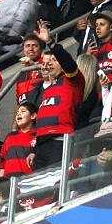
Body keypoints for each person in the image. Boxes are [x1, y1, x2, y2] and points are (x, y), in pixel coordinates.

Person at [34, 22, 86, 169]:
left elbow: (68, 63)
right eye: (47, 62)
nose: (49, 64)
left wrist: (50, 42)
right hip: (41, 145)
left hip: (59, 141)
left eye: (54, 60)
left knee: (55, 186)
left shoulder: (73, 80)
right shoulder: (48, 88)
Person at [0, 103, 38, 178]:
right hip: (8, 182)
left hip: (29, 181)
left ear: (33, 116)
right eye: (17, 112)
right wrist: (0, 184)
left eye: (23, 111)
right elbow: (3, 165)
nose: (18, 114)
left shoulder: (38, 136)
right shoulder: (10, 136)